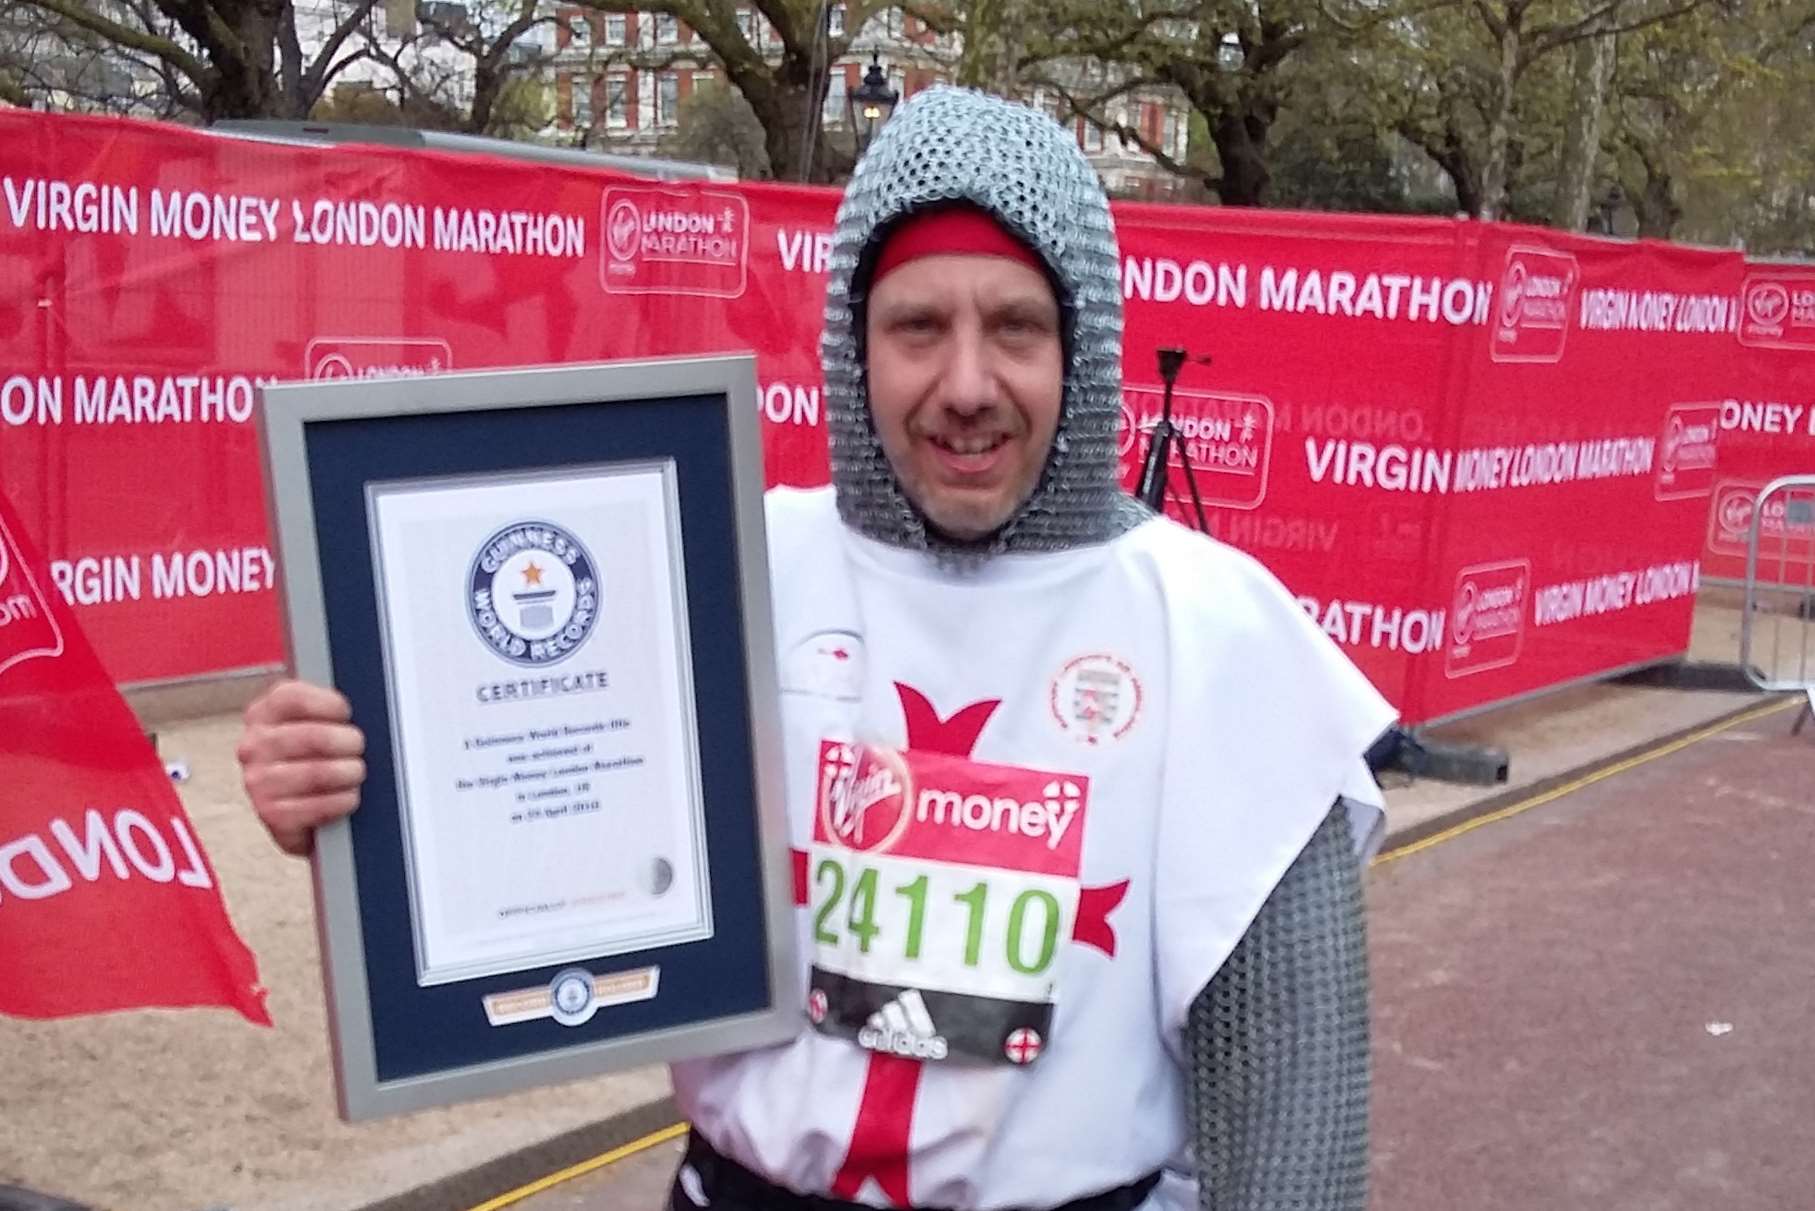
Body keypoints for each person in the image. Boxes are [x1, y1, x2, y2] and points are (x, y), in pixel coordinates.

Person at [237, 87, 1396, 1211]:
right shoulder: (728, 563)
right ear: (855, 345)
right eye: (918, 327)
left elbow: (1289, 1100)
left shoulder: (1213, 632)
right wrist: (354, 797)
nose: (967, 384)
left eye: (1016, 327)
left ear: (1080, 348)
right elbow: (528, 791)